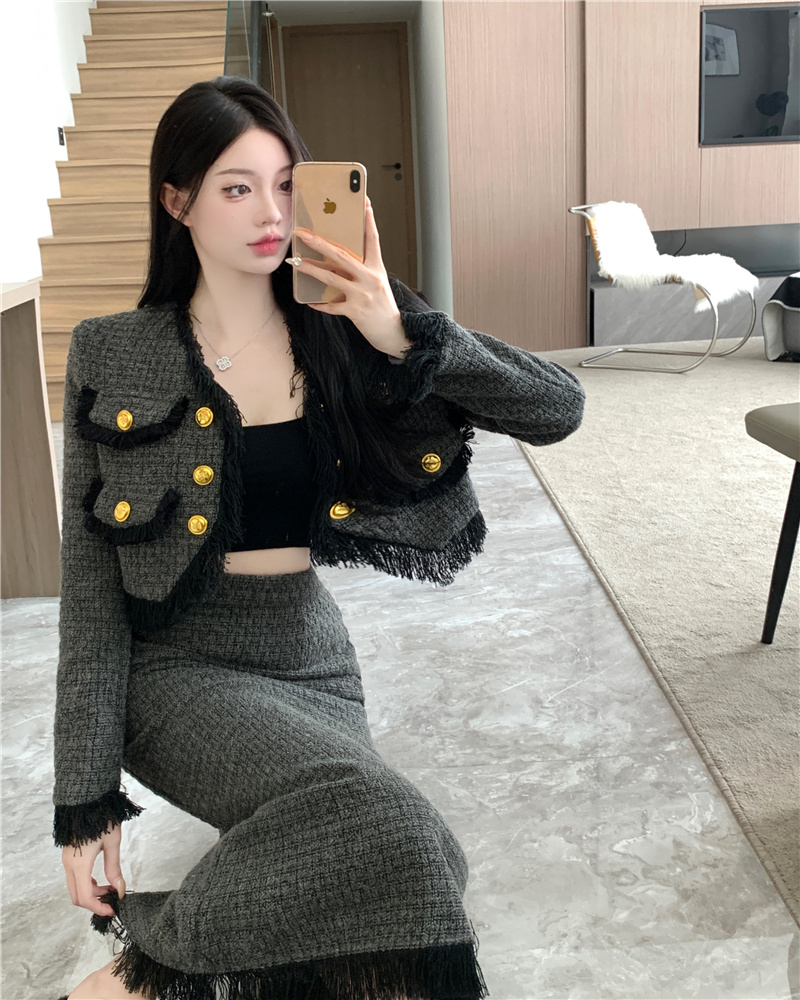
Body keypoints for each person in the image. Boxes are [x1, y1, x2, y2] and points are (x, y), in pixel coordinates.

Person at [53, 76, 585, 1000]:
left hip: (311, 659)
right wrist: (83, 795)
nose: (272, 212)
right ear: (176, 202)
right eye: (237, 187)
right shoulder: (113, 351)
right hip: (175, 669)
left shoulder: (348, 322)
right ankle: (133, 981)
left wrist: (399, 330)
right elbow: (89, 588)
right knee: (393, 830)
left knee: (412, 861)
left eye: (287, 183)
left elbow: (558, 409)